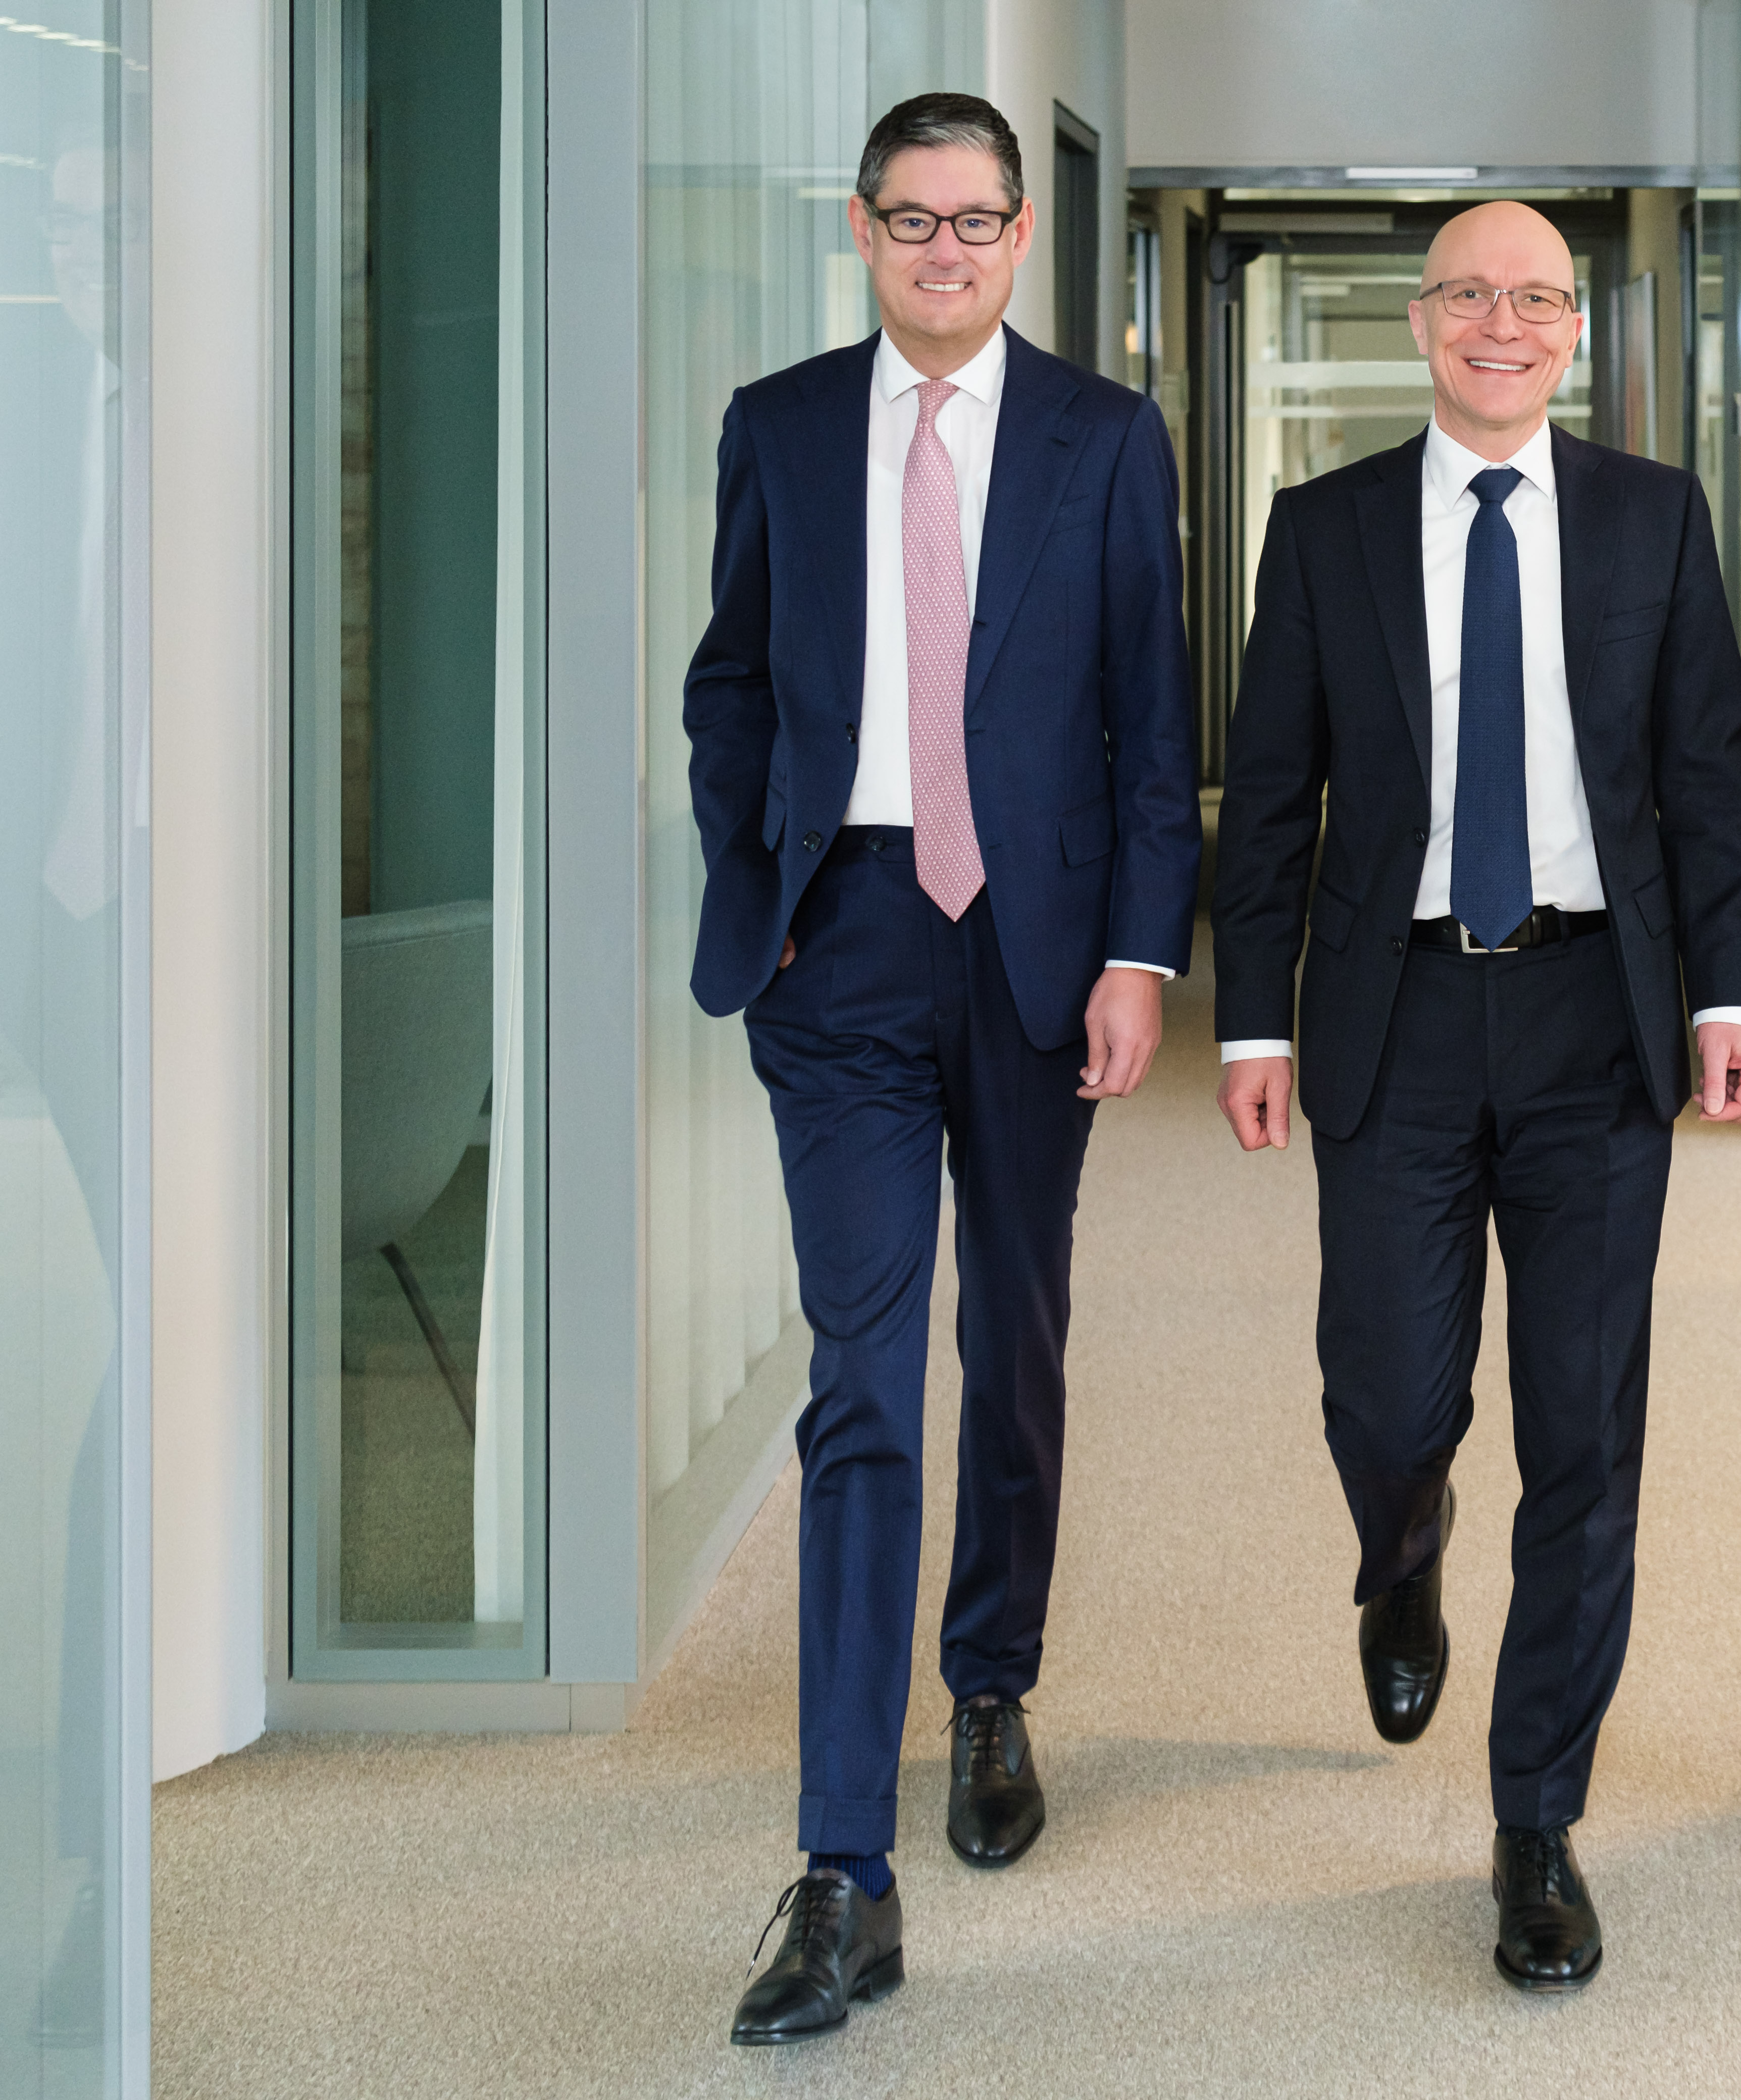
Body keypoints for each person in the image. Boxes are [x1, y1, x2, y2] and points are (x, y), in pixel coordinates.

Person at [682, 92, 1198, 2044]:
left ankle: (991, 1684)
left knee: (1021, 1333)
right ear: (864, 229)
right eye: (914, 221)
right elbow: (731, 681)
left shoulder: (1103, 435)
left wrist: (1141, 953)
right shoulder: (783, 425)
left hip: (1036, 948)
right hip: (843, 949)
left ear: (1018, 238)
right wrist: (765, 878)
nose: (948, 252)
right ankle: (844, 1867)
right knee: (864, 1376)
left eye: (979, 222)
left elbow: (1154, 714)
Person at [1209, 201, 1741, 1993]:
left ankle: (1538, 1818)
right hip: (1396, 1014)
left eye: (1537, 299)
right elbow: (1269, 791)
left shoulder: (1654, 516)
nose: (1502, 325)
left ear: (1575, 332)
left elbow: (1709, 776)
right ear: (1421, 321)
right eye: (1470, 295)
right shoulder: (1324, 529)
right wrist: (1252, 1025)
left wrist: (1734, 994)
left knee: (1587, 1430)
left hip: (1598, 1021)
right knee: (1388, 1394)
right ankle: (1404, 1546)